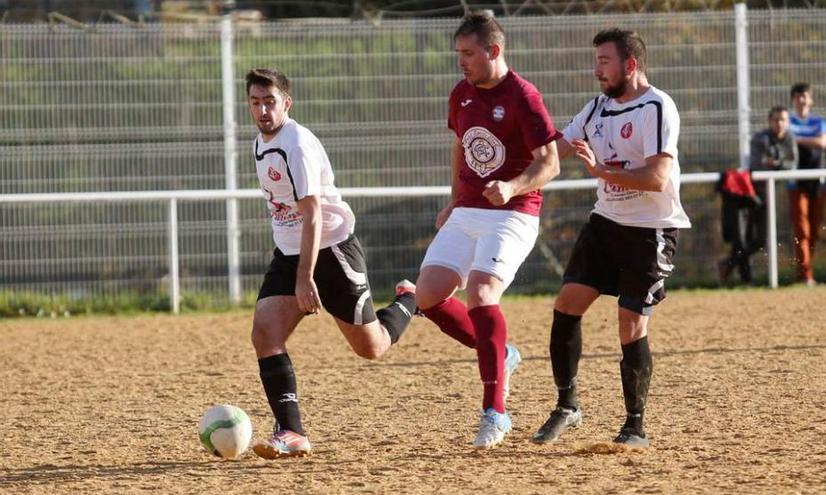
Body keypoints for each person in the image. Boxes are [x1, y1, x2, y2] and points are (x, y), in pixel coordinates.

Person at [245, 68, 418, 459]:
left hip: (331, 250)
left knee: (370, 348)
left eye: (270, 102)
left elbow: (313, 214)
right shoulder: (260, 141)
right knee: (265, 334)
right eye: (255, 102)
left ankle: (410, 299)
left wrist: (306, 278)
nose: (262, 110)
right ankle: (292, 432)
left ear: (286, 103)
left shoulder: (296, 144)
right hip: (291, 254)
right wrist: (294, 266)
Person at [530, 28, 690, 449]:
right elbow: (556, 148)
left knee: (630, 323)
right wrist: (510, 157)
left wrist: (603, 174)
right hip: (605, 224)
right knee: (567, 304)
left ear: (630, 65)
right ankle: (568, 406)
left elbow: (657, 177)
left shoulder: (656, 107)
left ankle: (634, 425)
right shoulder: (597, 106)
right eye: (597, 60)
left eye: (605, 61)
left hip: (650, 230)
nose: (596, 69)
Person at [413, 11, 561, 449]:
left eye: (468, 53)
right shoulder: (461, 93)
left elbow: (549, 162)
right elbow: (461, 148)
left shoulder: (523, 96)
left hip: (514, 213)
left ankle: (495, 412)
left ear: (493, 51)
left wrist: (512, 186)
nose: (461, 62)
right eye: (458, 53)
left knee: (480, 293)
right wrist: (454, 199)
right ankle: (503, 353)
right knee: (427, 296)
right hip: (469, 210)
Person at [718, 106, 798, 284]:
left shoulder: (790, 137)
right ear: (770, 121)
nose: (779, 123)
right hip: (751, 193)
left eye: (783, 119)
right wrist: (780, 164)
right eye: (776, 119)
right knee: (750, 238)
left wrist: (775, 163)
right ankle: (739, 273)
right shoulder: (760, 138)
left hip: (769, 190)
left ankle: (728, 265)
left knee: (760, 239)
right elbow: (759, 165)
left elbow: (793, 164)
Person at [788, 83, 826, 286]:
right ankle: (806, 275)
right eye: (797, 96)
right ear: (793, 100)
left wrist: (798, 139)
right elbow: (786, 141)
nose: (801, 100)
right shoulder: (789, 121)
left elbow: (823, 143)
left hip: (818, 181)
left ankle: (804, 271)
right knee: (802, 229)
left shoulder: (819, 121)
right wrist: (808, 140)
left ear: (810, 100)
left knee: (813, 230)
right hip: (796, 182)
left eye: (804, 96)